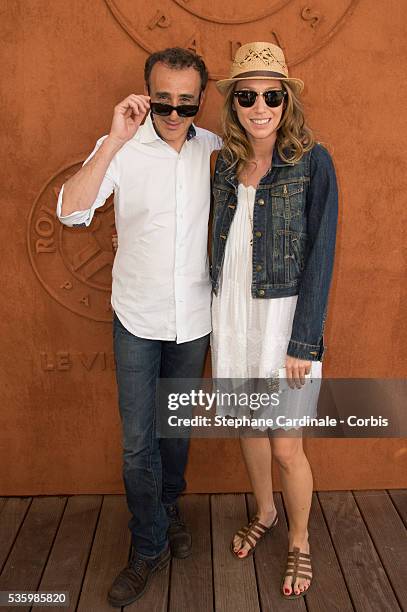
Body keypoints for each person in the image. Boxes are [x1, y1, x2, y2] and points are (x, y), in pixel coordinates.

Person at [56, 47, 221, 607]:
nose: (174, 115)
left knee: (175, 434)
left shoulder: (215, 151)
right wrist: (113, 141)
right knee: (136, 445)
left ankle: (167, 507)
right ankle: (147, 543)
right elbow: (72, 211)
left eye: (186, 103)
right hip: (136, 318)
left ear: (200, 101)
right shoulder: (122, 149)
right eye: (163, 102)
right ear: (146, 94)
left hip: (194, 320)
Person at [210, 42, 338, 599]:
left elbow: (322, 252)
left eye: (271, 95)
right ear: (234, 103)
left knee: (287, 444)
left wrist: (305, 343)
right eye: (247, 95)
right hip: (231, 314)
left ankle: (300, 540)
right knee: (248, 427)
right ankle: (264, 512)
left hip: (286, 322)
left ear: (286, 100)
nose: (259, 106)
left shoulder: (313, 160)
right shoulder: (223, 163)